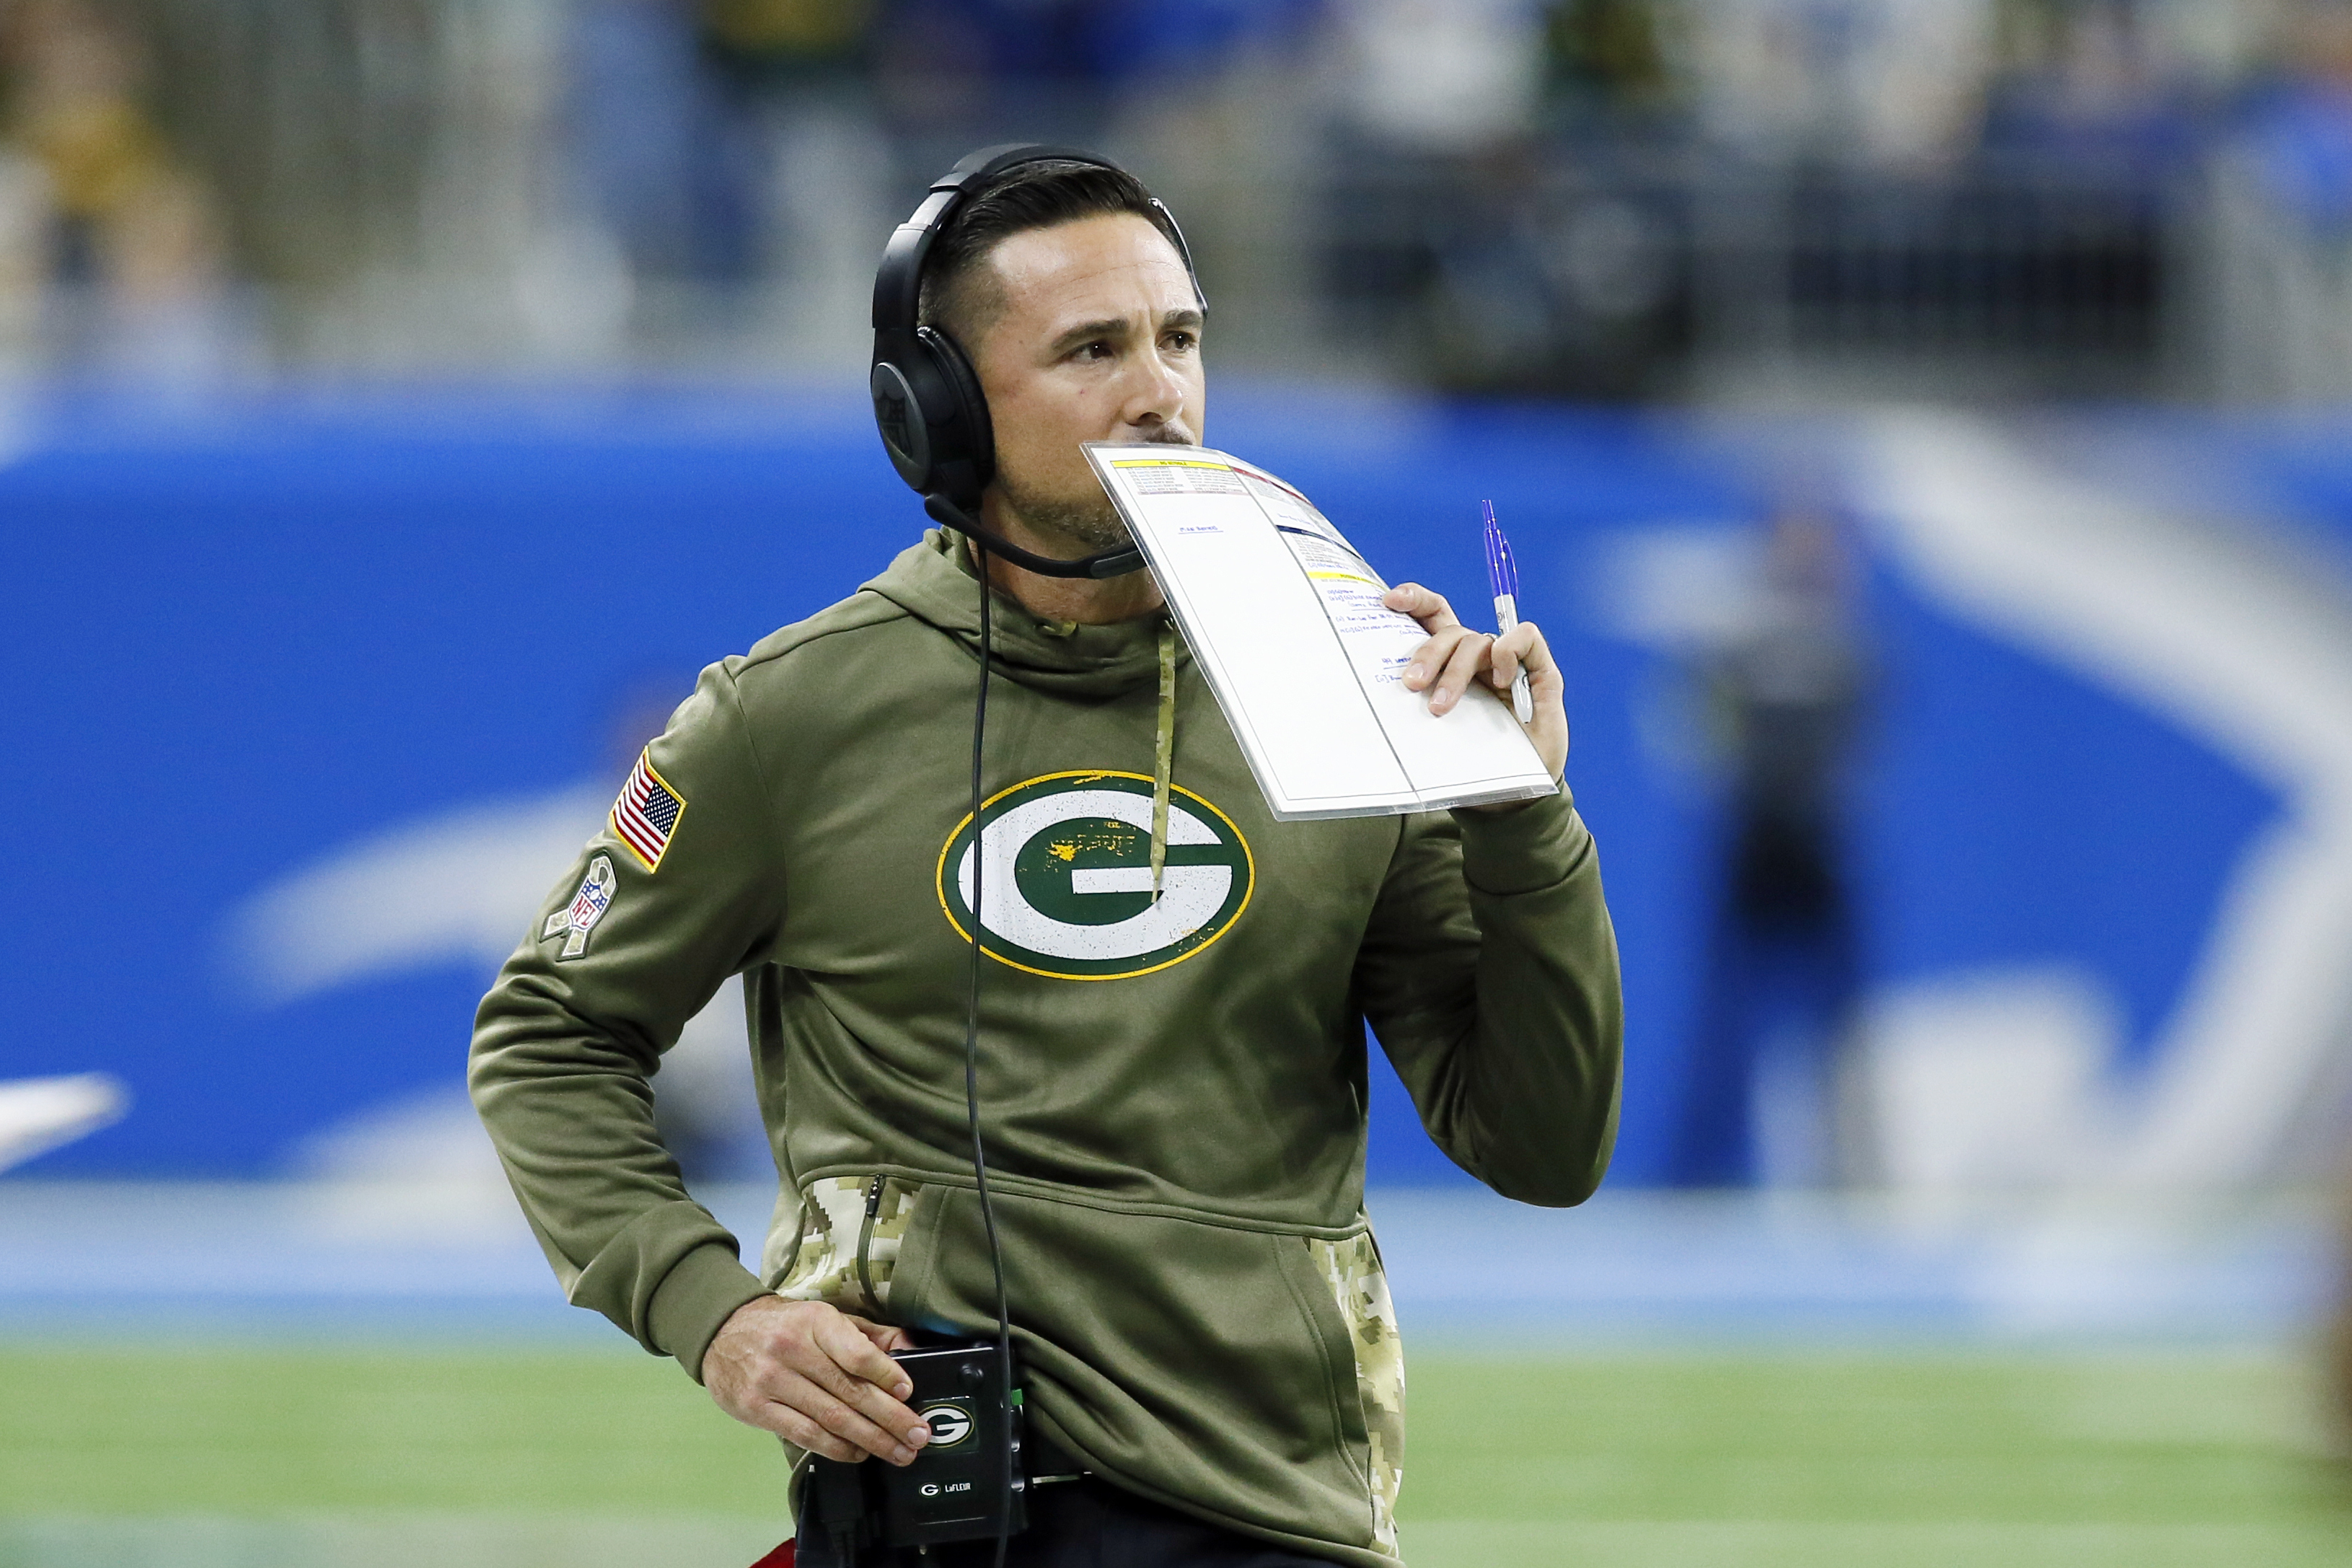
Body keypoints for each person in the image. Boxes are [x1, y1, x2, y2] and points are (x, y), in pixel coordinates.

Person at [469, 149, 1622, 1567]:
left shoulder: (1358, 683)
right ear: (935, 409)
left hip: (1266, 1519)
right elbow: (549, 1032)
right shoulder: (787, 714)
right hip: (928, 1509)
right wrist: (711, 1311)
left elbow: (1542, 1144)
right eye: (1093, 348)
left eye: (1180, 337)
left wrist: (1519, 814)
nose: (1162, 391)